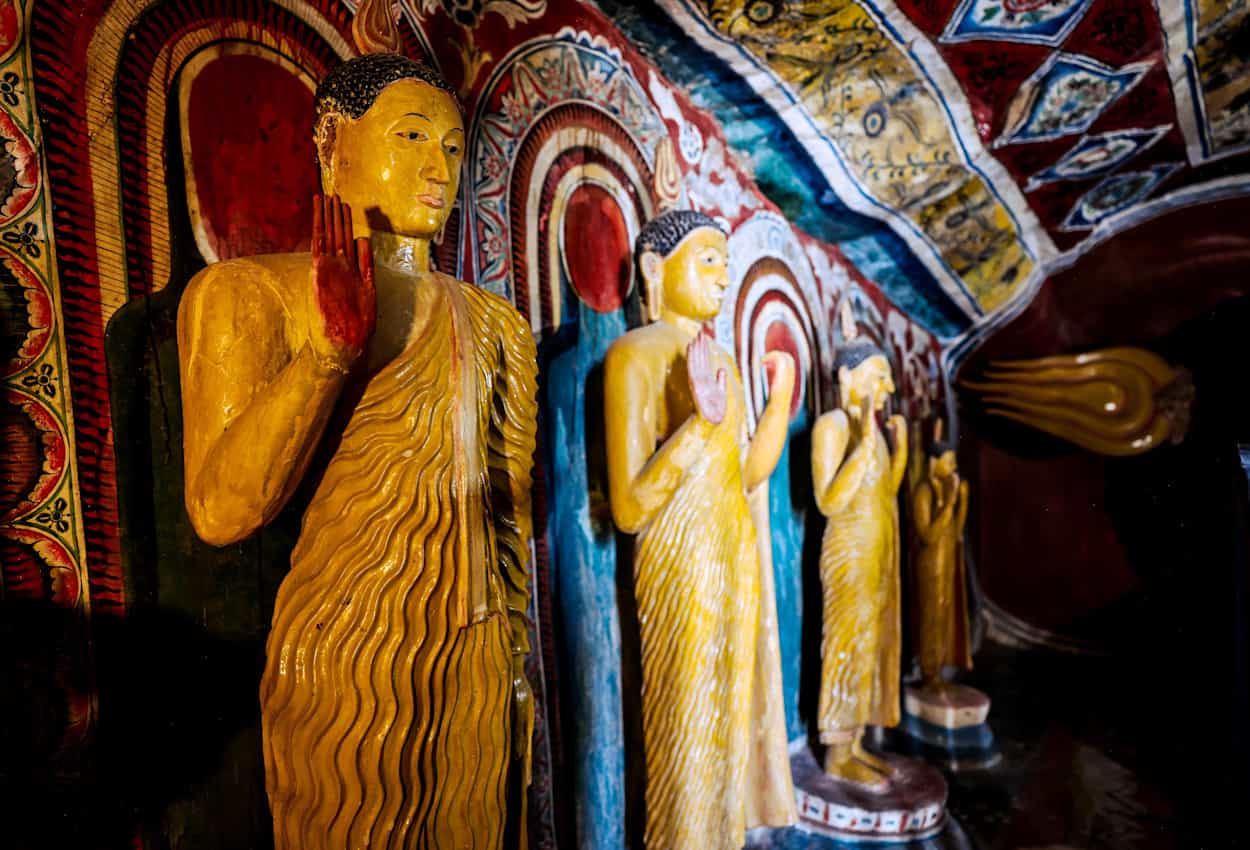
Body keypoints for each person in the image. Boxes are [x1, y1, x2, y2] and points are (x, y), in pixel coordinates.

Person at [177, 53, 537, 850]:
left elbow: (506, 514)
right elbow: (219, 510)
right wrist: (326, 357)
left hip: (478, 645)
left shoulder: (496, 325)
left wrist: (515, 657)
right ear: (333, 143)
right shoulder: (252, 292)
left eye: (452, 148)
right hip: (354, 640)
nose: (438, 167)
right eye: (411, 136)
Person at [604, 209, 796, 850]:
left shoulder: (725, 367)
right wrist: (697, 425)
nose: (722, 275)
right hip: (680, 565)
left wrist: (779, 401)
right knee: (685, 723)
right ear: (655, 269)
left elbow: (747, 473)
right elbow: (630, 508)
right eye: (708, 258)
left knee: (728, 720)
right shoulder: (635, 355)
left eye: (725, 262)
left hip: (733, 554)